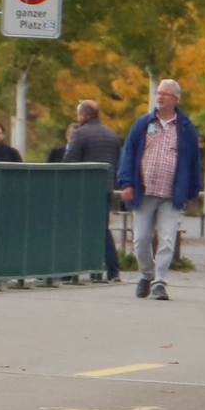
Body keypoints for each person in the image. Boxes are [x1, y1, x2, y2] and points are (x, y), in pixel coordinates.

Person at [117, 80, 201, 301]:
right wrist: (126, 183)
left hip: (172, 195)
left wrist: (192, 191)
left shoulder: (186, 128)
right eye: (159, 93)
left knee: (167, 239)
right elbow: (128, 153)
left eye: (165, 94)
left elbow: (194, 161)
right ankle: (146, 274)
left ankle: (160, 282)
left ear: (176, 99)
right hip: (144, 191)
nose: (160, 97)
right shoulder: (143, 124)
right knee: (141, 238)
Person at [63, 101, 123, 278]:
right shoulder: (112, 134)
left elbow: (69, 162)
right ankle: (112, 269)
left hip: (82, 189)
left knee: (74, 229)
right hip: (105, 187)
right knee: (101, 229)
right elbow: (117, 161)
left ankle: (69, 271)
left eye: (79, 114)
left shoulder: (80, 134)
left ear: (84, 115)